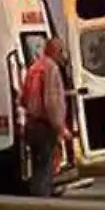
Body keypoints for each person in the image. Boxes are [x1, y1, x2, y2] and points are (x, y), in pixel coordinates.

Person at [18, 37, 72, 197]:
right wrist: (61, 128)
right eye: (62, 52)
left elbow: (23, 98)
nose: (64, 56)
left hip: (32, 125)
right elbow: (51, 102)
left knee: (37, 167)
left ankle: (35, 201)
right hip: (44, 126)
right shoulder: (51, 69)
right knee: (45, 169)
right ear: (55, 51)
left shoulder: (34, 68)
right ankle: (43, 205)